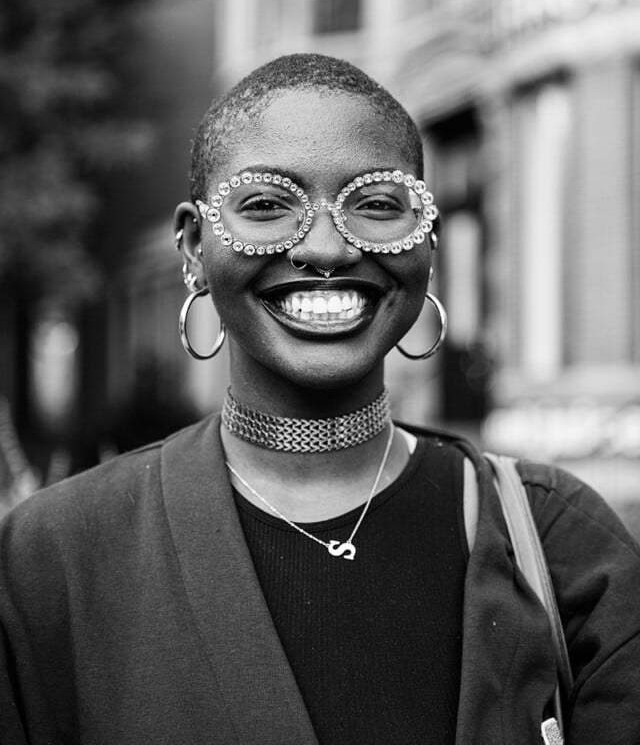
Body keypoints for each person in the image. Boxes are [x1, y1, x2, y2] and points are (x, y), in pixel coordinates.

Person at [1, 53, 639, 745]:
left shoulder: (555, 540)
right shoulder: (56, 557)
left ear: (426, 240)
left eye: (376, 204)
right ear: (193, 246)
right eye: (269, 206)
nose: (329, 248)